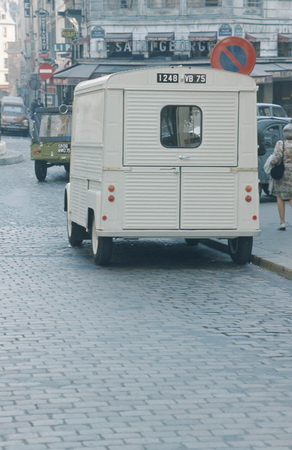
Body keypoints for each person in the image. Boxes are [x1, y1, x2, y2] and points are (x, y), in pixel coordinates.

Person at [270, 122, 292, 230]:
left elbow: (275, 159)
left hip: (282, 174)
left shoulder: (280, 144)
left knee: (280, 196)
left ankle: (282, 222)